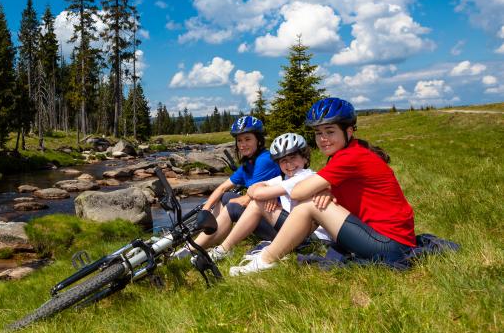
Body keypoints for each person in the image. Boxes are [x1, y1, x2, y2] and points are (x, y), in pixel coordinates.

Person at [230, 97, 416, 276]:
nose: (323, 139)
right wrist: (326, 189)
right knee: (313, 201)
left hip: (391, 245)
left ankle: (265, 260)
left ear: (349, 131)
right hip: (388, 239)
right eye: (319, 133)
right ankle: (272, 253)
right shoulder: (350, 152)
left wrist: (321, 190)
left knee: (309, 204)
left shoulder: (351, 157)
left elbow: (297, 192)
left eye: (330, 131)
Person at [207, 132, 332, 262]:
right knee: (248, 202)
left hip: (312, 237)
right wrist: (268, 190)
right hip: (294, 230)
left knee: (257, 203)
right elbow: (252, 188)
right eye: (283, 160)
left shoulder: (305, 176)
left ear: (305, 158)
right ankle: (220, 248)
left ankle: (223, 249)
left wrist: (268, 193)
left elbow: (256, 194)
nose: (289, 165)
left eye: (293, 157)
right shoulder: (285, 178)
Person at [173, 115, 281, 259]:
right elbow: (222, 188)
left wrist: (231, 204)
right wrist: (205, 211)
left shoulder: (264, 160)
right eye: (239, 140)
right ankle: (207, 239)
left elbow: (248, 199)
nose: (242, 145)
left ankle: (195, 248)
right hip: (264, 215)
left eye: (248, 139)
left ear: (259, 140)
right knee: (224, 196)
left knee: (232, 206)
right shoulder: (248, 164)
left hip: (277, 224)